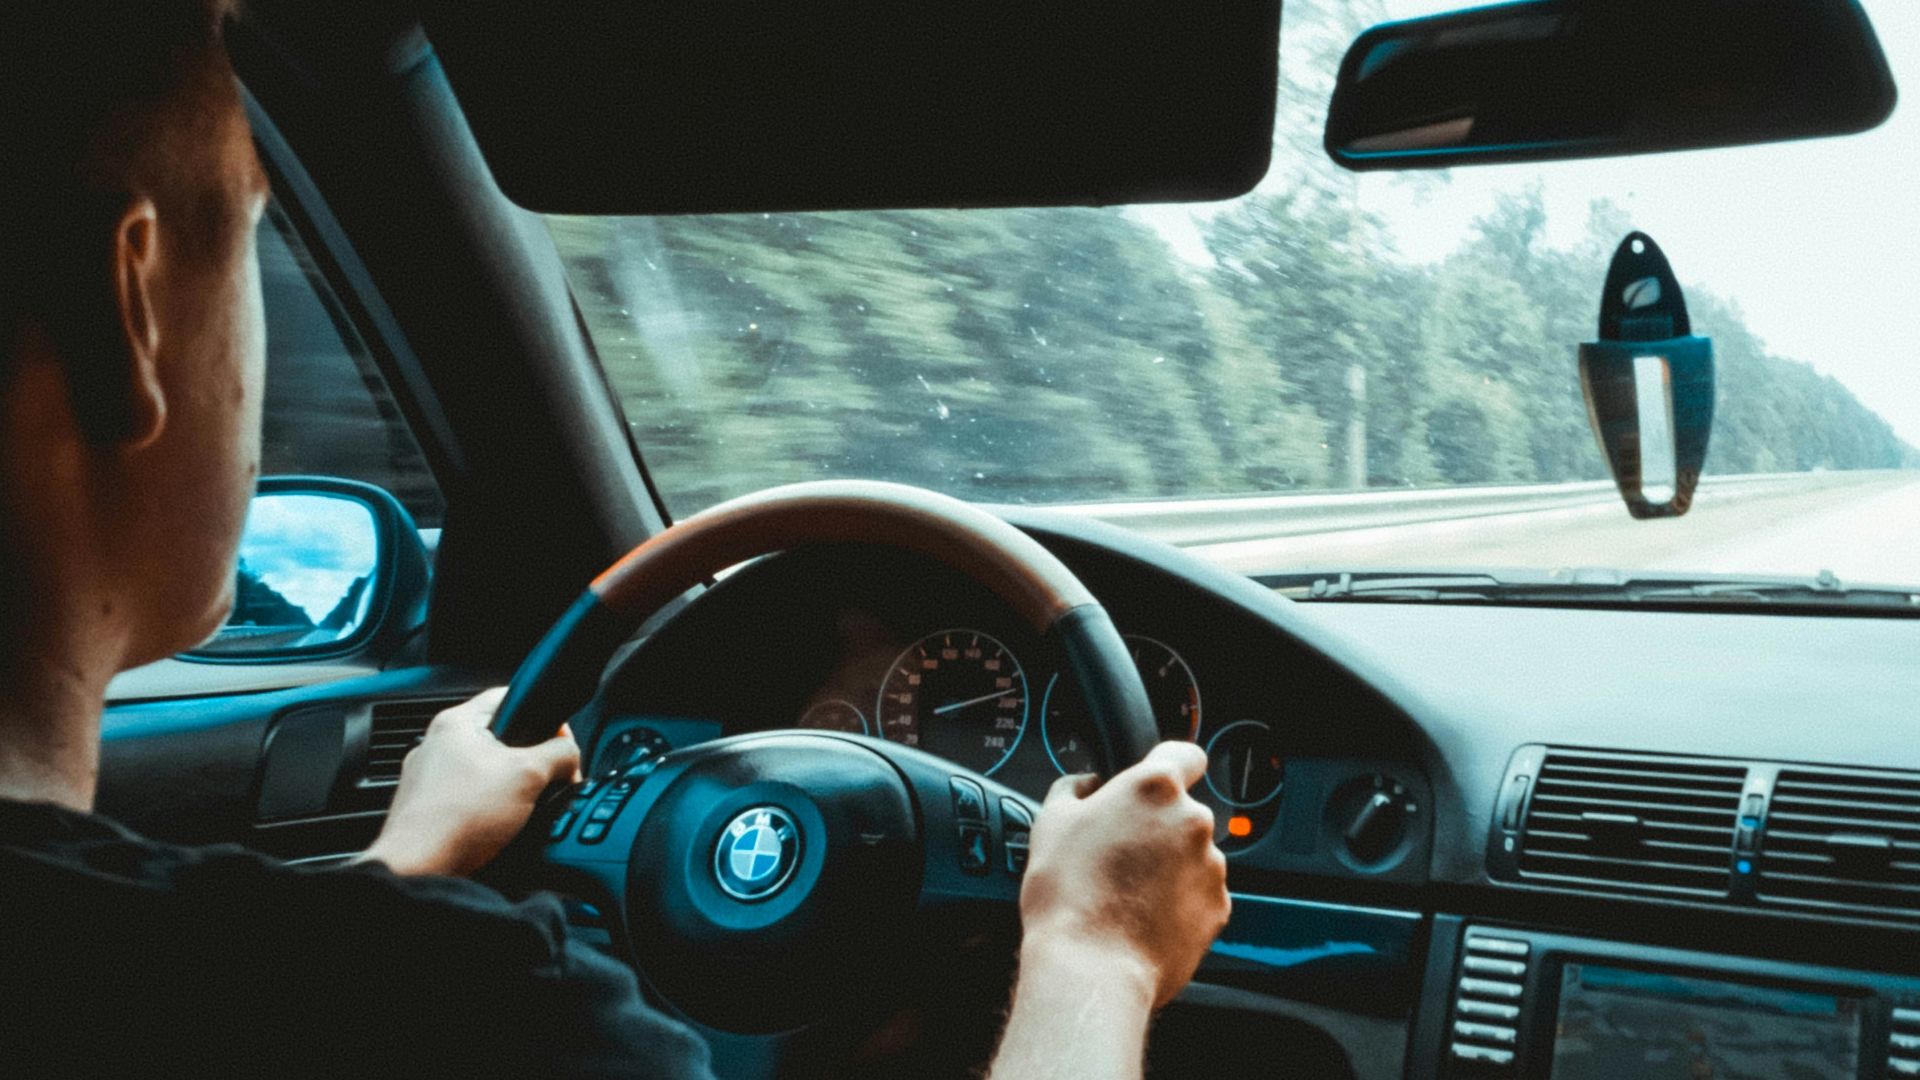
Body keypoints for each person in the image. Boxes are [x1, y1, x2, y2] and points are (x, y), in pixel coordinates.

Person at [0, 3, 1231, 1077]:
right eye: (259, 250)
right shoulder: (496, 1012)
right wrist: (1095, 952)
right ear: (130, 310)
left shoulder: (163, 985)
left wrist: (409, 861)